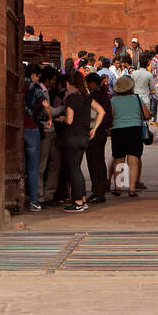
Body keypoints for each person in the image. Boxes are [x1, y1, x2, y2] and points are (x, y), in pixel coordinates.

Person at [59, 71, 102, 212]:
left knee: (74, 169)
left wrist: (61, 119)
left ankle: (78, 201)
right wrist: (94, 128)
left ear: (69, 84)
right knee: (77, 169)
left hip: (73, 136)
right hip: (84, 136)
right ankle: (83, 199)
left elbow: (70, 120)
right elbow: (101, 111)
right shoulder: (87, 97)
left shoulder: (72, 98)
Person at [108, 74, 148, 197]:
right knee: (133, 160)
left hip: (118, 131)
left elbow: (110, 116)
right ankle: (132, 189)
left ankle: (118, 187)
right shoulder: (137, 98)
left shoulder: (113, 100)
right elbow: (146, 115)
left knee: (119, 159)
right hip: (134, 130)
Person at [22, 63, 51, 211]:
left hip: (18, 129)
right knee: (33, 168)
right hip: (32, 128)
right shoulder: (35, 88)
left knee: (20, 166)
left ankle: (18, 197)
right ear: (35, 75)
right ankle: (33, 201)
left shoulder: (18, 85)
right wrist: (50, 118)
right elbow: (45, 105)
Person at [86, 71, 114, 204]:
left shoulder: (96, 96)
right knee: (98, 162)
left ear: (92, 83)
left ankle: (98, 191)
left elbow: (94, 114)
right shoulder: (103, 94)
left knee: (95, 162)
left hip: (95, 131)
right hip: (101, 131)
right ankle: (98, 190)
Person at [40, 70, 66, 203]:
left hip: (51, 130)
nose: (55, 82)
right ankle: (40, 195)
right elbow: (47, 111)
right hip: (46, 130)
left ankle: (48, 194)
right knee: (43, 164)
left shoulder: (46, 91)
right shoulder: (41, 91)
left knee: (54, 163)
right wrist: (63, 107)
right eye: (53, 79)